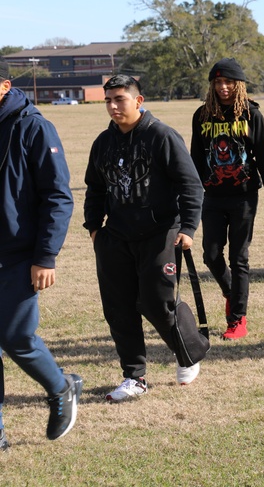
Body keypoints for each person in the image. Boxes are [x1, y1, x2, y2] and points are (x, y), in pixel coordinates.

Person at [83, 75, 205, 401]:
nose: (112, 106)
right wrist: (94, 227)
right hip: (115, 238)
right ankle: (134, 377)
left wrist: (188, 228)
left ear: (138, 101)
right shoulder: (103, 143)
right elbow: (94, 188)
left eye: (119, 99)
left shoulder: (162, 136)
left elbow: (190, 185)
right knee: (119, 308)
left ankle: (189, 353)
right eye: (108, 100)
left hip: (160, 233)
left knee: (156, 303)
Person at [0, 62, 82, 451]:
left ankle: (60, 388)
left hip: (18, 255)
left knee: (16, 337)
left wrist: (46, 256)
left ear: (4, 85)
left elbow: (58, 197)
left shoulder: (33, 127)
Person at [191, 58, 264, 340]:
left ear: (239, 84)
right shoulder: (202, 115)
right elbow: (194, 160)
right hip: (213, 196)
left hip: (244, 197)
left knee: (239, 258)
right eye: (218, 82)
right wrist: (188, 198)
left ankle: (237, 318)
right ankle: (231, 291)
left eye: (229, 82)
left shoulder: (251, 115)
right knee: (211, 255)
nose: (224, 87)